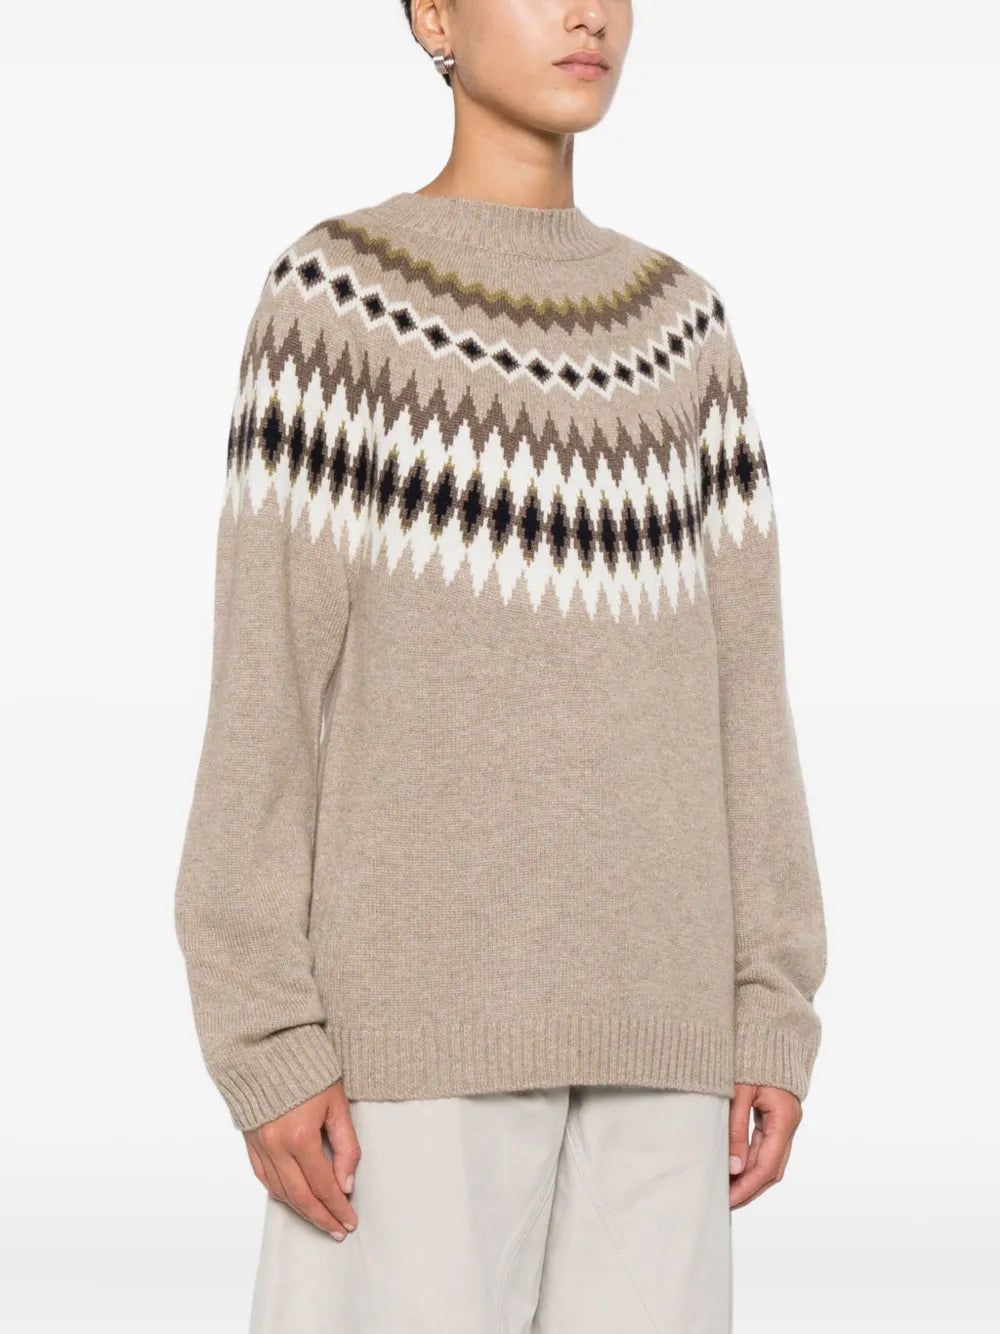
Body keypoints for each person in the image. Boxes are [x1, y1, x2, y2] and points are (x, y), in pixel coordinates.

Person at [173, 1, 828, 1329]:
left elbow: (747, 696)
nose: (588, 14)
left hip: (664, 1041)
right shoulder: (338, 300)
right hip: (407, 1043)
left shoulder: (684, 329)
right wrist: (265, 1030)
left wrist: (773, 999)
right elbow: (263, 697)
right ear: (433, 13)